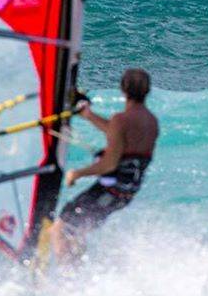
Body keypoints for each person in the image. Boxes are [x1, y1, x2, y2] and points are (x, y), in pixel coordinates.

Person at [51, 68, 159, 262]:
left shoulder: (121, 120)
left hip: (111, 190)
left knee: (62, 226)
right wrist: (88, 115)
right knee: (78, 231)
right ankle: (76, 274)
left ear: (123, 89)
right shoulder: (151, 122)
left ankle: (66, 274)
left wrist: (77, 173)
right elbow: (119, 133)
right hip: (127, 192)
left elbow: (109, 165)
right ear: (147, 90)